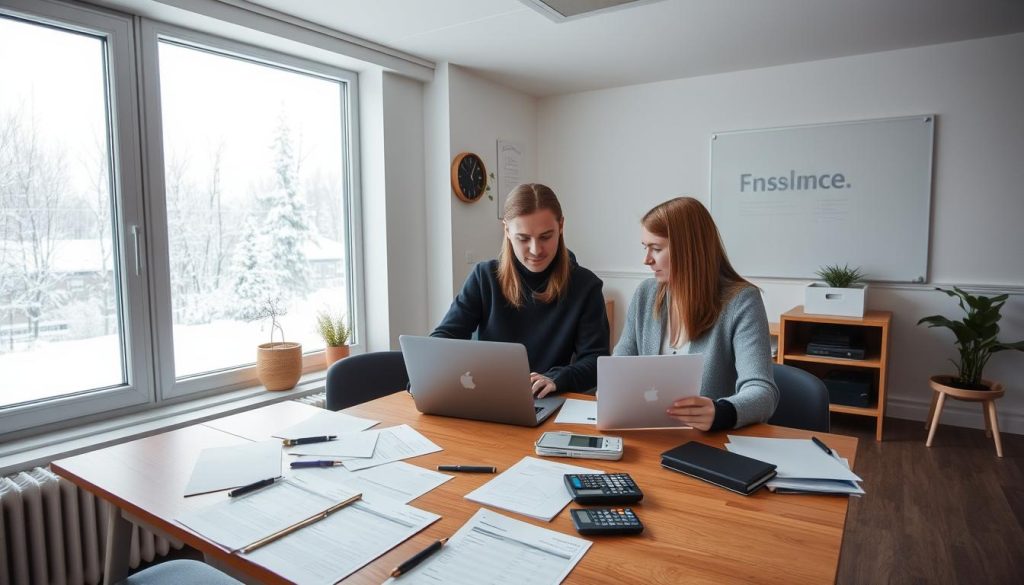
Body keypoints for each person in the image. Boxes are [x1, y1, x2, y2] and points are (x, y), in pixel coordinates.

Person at [614, 197, 778, 430]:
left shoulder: (741, 301)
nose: (646, 259)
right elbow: (620, 363)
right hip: (649, 432)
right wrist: (612, 392)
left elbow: (763, 392)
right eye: (645, 247)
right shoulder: (645, 293)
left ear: (688, 251)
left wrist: (721, 412)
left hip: (711, 441)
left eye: (656, 249)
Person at [432, 183, 609, 397]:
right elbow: (445, 336)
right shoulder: (484, 277)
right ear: (506, 230)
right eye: (523, 238)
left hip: (549, 401)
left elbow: (595, 362)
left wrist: (558, 378)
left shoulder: (586, 286)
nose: (535, 250)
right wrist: (426, 375)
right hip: (487, 396)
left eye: (546, 236)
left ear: (561, 226)